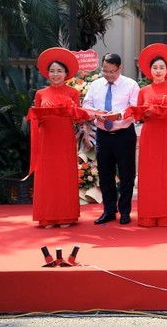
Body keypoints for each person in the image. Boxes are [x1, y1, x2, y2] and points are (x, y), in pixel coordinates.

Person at [82, 53, 139, 225]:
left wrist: (119, 115)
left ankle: (125, 211)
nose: (108, 75)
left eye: (112, 72)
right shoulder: (96, 85)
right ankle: (109, 210)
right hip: (103, 135)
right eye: (105, 71)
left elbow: (135, 109)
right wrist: (96, 114)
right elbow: (86, 105)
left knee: (126, 175)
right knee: (105, 174)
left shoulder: (131, 85)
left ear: (120, 68)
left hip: (124, 134)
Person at [28, 47, 82, 228]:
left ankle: (66, 215)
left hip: (65, 138)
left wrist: (71, 111)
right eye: (52, 71)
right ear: (47, 73)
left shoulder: (73, 93)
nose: (56, 74)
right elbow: (37, 117)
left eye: (59, 71)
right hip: (46, 139)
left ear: (66, 73)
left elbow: (78, 117)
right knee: (47, 177)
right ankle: (47, 216)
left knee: (64, 175)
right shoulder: (40, 94)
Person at [133, 43, 167, 227]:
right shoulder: (143, 91)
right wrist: (145, 113)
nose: (158, 71)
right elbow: (137, 114)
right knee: (150, 174)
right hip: (150, 133)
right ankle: (148, 215)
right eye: (155, 68)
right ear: (149, 70)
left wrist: (159, 110)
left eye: (162, 67)